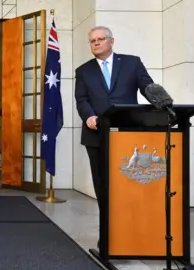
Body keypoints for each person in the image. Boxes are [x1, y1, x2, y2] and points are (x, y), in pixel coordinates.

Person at [74, 26, 153, 247]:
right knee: (103, 187)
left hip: (128, 136)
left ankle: (131, 232)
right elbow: (81, 99)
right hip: (96, 136)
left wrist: (162, 101)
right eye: (92, 41)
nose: (96, 43)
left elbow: (148, 87)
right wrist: (89, 116)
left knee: (128, 187)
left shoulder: (132, 63)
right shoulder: (83, 71)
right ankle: (108, 235)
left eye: (100, 39)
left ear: (112, 41)